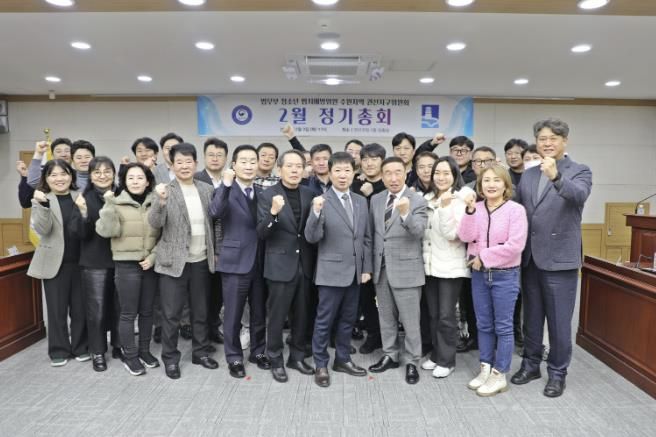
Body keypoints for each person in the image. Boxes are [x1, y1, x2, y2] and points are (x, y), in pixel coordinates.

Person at [511, 118, 592, 398]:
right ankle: (531, 365)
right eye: (542, 139)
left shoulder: (579, 170)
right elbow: (517, 210)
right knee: (531, 320)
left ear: (564, 141)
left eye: (553, 138)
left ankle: (557, 373)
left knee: (558, 323)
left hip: (560, 260)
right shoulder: (529, 174)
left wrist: (556, 176)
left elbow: (578, 196)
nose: (547, 143)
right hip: (530, 259)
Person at [149, 143, 218, 379]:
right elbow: (154, 222)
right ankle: (170, 358)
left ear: (196, 164)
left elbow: (214, 223)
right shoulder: (164, 190)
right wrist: (160, 202)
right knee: (171, 315)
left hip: (201, 260)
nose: (184, 166)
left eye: (189, 161)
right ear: (172, 165)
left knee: (201, 311)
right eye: (179, 162)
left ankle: (200, 352)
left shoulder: (207, 189)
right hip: (173, 263)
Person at [458, 164, 528, 397]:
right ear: (480, 185)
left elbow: (515, 245)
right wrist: (469, 212)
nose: (491, 185)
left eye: (496, 180)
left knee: (503, 326)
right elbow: (465, 236)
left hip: (505, 275)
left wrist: (484, 256)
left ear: (506, 185)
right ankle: (485, 368)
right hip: (479, 275)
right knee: (483, 324)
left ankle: (500, 374)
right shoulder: (475, 208)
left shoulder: (515, 210)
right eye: (486, 180)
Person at [305, 152, 372, 388]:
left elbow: (366, 238)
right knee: (324, 321)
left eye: (347, 170)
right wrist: (315, 212)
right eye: (338, 171)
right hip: (330, 272)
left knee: (348, 319)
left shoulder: (360, 201)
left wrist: (366, 267)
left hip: (355, 273)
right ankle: (320, 364)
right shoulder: (321, 200)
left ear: (354, 173)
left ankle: (342, 359)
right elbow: (312, 237)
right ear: (330, 173)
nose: (343, 175)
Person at [256, 150, 317, 382]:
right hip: (280, 264)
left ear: (304, 170)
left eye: (298, 166)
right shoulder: (267, 195)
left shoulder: (310, 193)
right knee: (277, 315)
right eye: (289, 166)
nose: (294, 170)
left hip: (305, 264)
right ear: (279, 169)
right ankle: (275, 358)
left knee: (302, 315)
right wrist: (273, 212)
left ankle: (297, 357)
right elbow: (262, 232)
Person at [210, 145, 269, 378]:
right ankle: (234, 357)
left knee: (259, 312)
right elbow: (215, 212)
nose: (249, 165)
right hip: (235, 261)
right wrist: (225, 185)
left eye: (253, 161)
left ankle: (258, 352)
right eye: (243, 161)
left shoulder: (262, 193)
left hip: (260, 262)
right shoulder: (225, 190)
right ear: (234, 165)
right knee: (233, 314)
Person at [96, 162, 161, 376]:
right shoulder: (114, 202)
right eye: (130, 177)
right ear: (124, 181)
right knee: (128, 313)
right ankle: (130, 356)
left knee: (147, 312)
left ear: (148, 181)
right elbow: (107, 231)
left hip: (149, 264)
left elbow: (165, 235)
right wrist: (108, 204)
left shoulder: (156, 202)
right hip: (126, 265)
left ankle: (144, 351)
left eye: (140, 177)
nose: (135, 181)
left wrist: (153, 257)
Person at [368, 157, 428, 385]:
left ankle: (412, 360)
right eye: (388, 173)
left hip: (407, 269)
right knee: (386, 317)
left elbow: (419, 231)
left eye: (397, 172)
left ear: (405, 174)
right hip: (381, 268)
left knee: (411, 320)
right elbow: (373, 234)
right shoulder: (376, 199)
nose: (393, 178)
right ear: (382, 176)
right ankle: (390, 354)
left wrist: (405, 214)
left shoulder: (417, 200)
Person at [27, 159, 88, 366]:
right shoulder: (42, 199)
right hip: (55, 263)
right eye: (53, 175)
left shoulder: (81, 196)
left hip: (81, 262)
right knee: (56, 310)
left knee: (80, 310)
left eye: (63, 174)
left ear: (71, 176)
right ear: (46, 179)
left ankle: (81, 347)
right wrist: (43, 205)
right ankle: (59, 350)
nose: (59, 178)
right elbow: (43, 230)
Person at [421, 156, 473, 379]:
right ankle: (436, 355)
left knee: (446, 315)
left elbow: (453, 235)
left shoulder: (460, 200)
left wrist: (444, 208)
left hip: (451, 267)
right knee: (433, 314)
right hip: (430, 265)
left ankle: (447, 360)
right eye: (437, 173)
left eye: (446, 173)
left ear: (455, 176)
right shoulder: (427, 198)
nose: (441, 177)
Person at [69, 156, 121, 372]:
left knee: (121, 308)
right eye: (97, 172)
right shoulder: (84, 198)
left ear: (114, 174)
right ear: (90, 176)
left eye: (107, 171)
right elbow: (79, 234)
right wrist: (83, 213)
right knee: (96, 311)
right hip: (95, 262)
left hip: (122, 260)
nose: (102, 176)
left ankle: (119, 345)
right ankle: (98, 351)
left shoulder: (121, 195)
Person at [350, 143, 387, 354]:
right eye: (365, 159)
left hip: (384, 251)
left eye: (374, 159)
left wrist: (371, 196)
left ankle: (388, 337)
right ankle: (373, 335)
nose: (369, 163)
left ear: (382, 161)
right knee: (365, 297)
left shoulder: (389, 184)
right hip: (362, 251)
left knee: (385, 298)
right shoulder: (355, 185)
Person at [194, 137, 228, 346]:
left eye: (219, 155)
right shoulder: (196, 179)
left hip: (225, 247)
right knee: (202, 295)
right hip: (201, 246)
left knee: (218, 293)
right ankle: (201, 335)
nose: (215, 159)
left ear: (226, 158)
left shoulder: (229, 180)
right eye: (211, 155)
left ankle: (214, 327)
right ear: (204, 157)